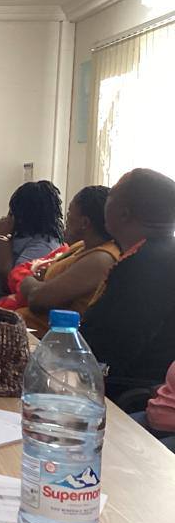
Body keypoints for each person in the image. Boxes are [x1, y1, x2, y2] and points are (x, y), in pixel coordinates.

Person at [81, 168, 175, 403]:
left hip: (129, 394)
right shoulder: (160, 254)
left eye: (111, 195)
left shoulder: (143, 265)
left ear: (123, 213)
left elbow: (106, 348)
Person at [14, 185, 119, 333]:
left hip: (48, 338)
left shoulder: (102, 258)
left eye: (69, 213)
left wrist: (29, 282)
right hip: (24, 325)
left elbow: (38, 299)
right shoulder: (81, 246)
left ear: (84, 223)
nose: (65, 220)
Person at [0, 180, 64, 302]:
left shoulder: (44, 244)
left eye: (15, 211)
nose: (11, 215)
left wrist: (4, 238)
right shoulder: (17, 231)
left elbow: (10, 281)